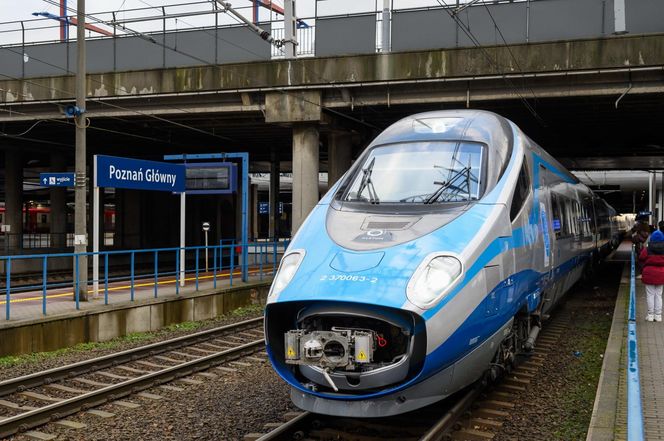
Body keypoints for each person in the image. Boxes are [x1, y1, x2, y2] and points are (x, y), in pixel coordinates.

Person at [639, 229, 664, 322]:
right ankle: (658, 316)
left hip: (649, 273)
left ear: (652, 238)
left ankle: (650, 315)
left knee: (650, 295)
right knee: (658, 295)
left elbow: (641, 257)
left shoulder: (648, 249)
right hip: (661, 274)